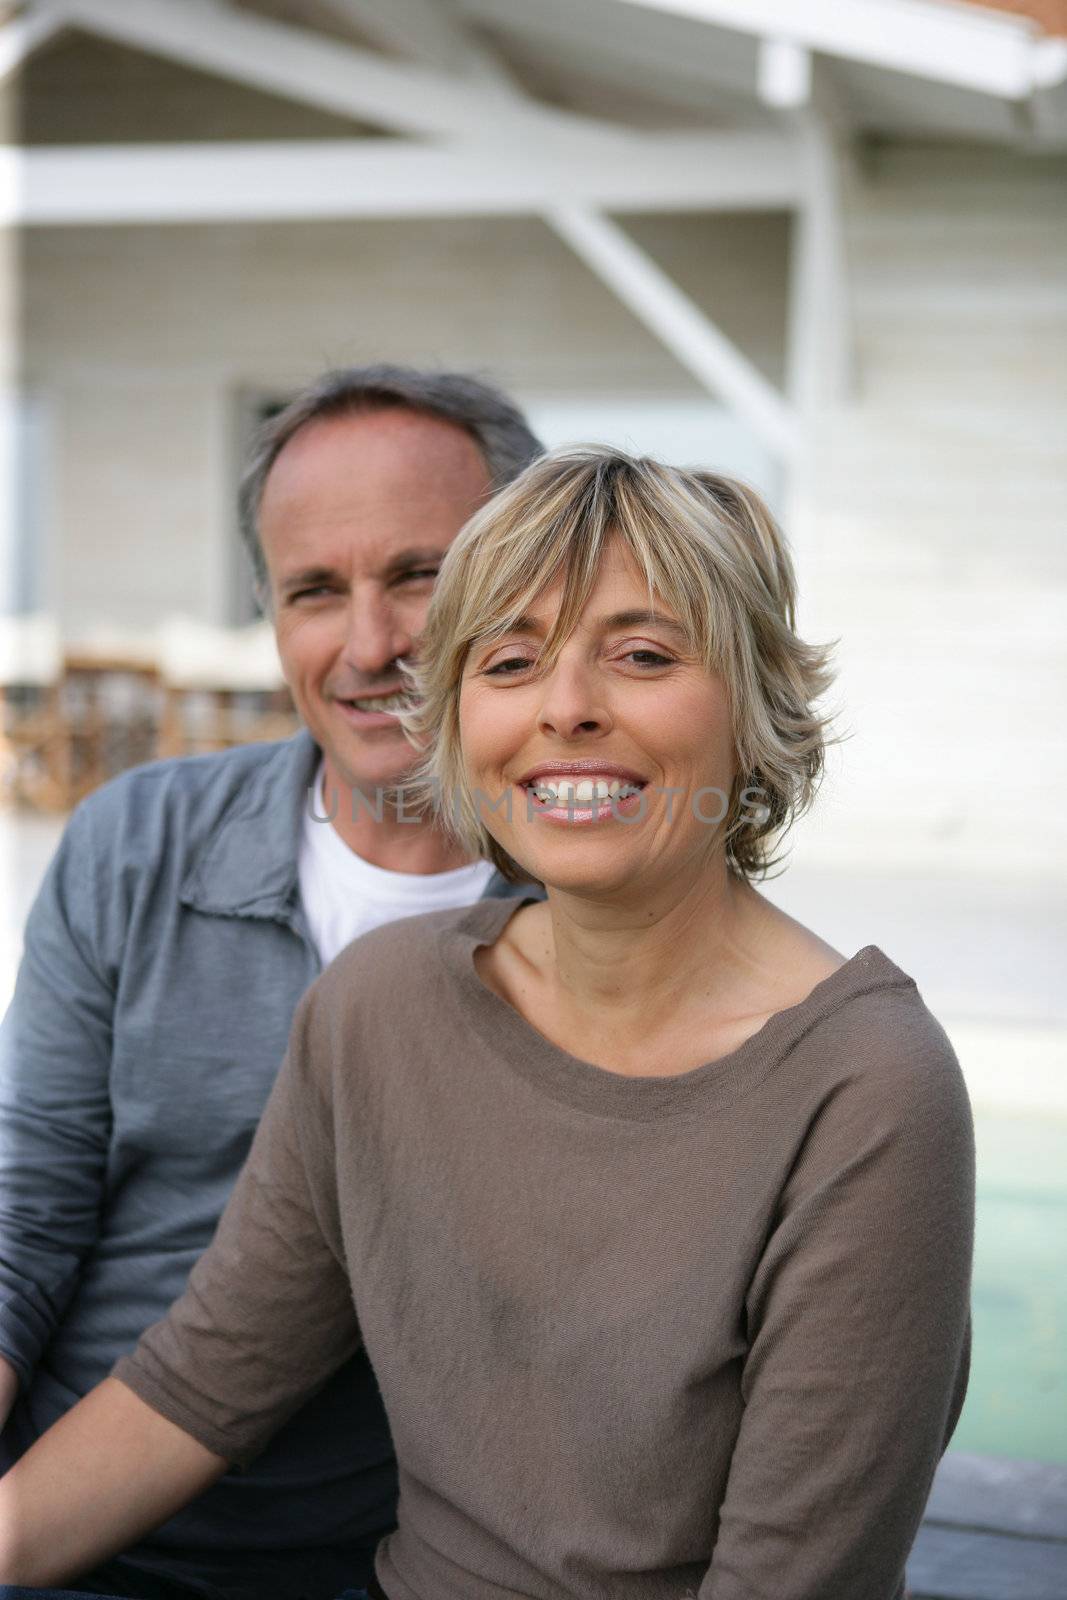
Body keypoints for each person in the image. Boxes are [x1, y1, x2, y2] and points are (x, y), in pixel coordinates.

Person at [0, 448, 975, 1600]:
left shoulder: (865, 1086)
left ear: (755, 701)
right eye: (509, 661)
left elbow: (791, 1580)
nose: (565, 708)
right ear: (458, 721)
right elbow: (201, 1384)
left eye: (643, 656)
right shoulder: (381, 1005)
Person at [0, 366, 543, 1600]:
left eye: (419, 575)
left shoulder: (592, 915)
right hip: (55, 1515)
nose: (369, 645)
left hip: (381, 1563)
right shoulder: (134, 840)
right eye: (314, 591)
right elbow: (22, 1206)